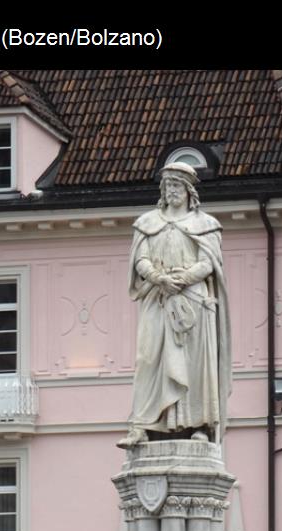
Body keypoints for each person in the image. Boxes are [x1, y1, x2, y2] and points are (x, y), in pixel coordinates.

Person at [118, 162, 231, 447]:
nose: (171, 191)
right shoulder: (147, 223)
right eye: (167, 186)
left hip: (192, 302)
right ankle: (143, 425)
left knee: (195, 366)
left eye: (177, 186)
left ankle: (199, 425)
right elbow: (140, 259)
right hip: (157, 298)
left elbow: (210, 264)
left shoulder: (206, 225)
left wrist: (184, 278)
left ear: (189, 190)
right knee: (148, 359)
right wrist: (158, 278)